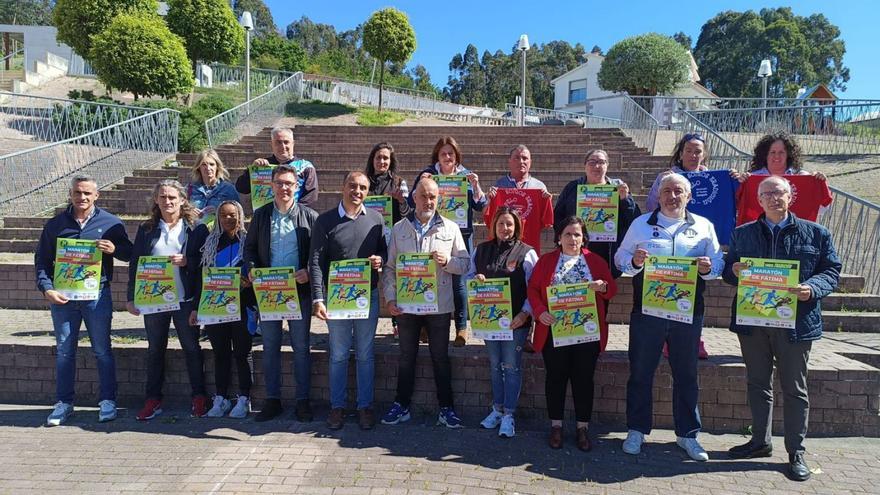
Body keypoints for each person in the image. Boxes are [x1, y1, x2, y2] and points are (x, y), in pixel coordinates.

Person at [722, 176, 841, 481]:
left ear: (791, 197)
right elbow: (729, 271)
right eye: (767, 194)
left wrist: (812, 288)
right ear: (759, 200)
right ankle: (760, 441)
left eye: (780, 193)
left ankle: (795, 450)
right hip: (754, 322)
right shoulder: (742, 233)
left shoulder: (816, 233)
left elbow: (831, 270)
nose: (774, 198)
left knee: (794, 388)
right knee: (758, 383)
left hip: (796, 323)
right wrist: (733, 271)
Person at [614, 174, 724, 461]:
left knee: (686, 374)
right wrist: (634, 262)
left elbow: (719, 264)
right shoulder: (640, 225)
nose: (672, 196)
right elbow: (619, 258)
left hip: (688, 314)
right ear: (658, 195)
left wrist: (707, 268)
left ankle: (688, 435)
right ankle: (636, 430)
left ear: (688, 196)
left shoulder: (703, 226)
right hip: (647, 313)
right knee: (640, 371)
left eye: (678, 191)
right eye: (666, 191)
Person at [35, 175, 133, 426]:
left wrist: (114, 250)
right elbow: (42, 261)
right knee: (65, 351)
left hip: (97, 297)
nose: (83, 198)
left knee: (102, 350)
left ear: (96, 195)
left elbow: (130, 254)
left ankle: (108, 401)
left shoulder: (111, 223)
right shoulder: (55, 224)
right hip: (64, 299)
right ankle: (64, 403)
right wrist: (47, 289)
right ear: (71, 194)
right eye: (78, 193)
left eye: (88, 193)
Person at [381, 179, 470, 428]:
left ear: (438, 198)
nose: (428, 201)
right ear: (414, 198)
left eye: (432, 196)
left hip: (439, 306)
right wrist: (390, 298)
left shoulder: (450, 228)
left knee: (440, 357)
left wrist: (448, 262)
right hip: (407, 306)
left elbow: (465, 264)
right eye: (423, 196)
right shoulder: (399, 229)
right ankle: (401, 405)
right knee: (406, 356)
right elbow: (389, 268)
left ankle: (446, 408)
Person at [527, 216, 617, 451]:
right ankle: (556, 426)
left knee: (583, 380)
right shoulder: (547, 261)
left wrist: (602, 287)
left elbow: (611, 289)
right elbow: (534, 289)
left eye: (577, 234)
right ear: (558, 238)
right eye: (567, 234)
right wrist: (539, 311)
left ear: (583, 238)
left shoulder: (595, 261)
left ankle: (582, 428)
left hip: (587, 333)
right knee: (555, 378)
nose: (572, 239)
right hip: (554, 332)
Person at [309, 171, 387, 430]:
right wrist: (318, 298)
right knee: (339, 355)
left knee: (365, 354)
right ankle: (337, 407)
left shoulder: (376, 219)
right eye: (352, 186)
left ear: (368, 191)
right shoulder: (326, 220)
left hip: (368, 297)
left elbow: (384, 251)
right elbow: (316, 262)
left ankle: (365, 407)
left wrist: (380, 260)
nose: (358, 191)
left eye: (363, 187)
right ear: (342, 187)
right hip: (337, 298)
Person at [126, 179, 207, 420]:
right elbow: (136, 264)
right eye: (163, 197)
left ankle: (199, 397)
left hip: (185, 299)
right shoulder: (147, 229)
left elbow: (205, 266)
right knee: (155, 349)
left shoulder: (197, 229)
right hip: (154, 299)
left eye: (172, 197)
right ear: (156, 200)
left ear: (183, 199)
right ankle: (153, 399)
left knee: (192, 348)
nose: (168, 201)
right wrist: (131, 297)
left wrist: (187, 262)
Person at [243, 164, 318, 422]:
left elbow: (319, 255)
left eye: (289, 183)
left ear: (297, 187)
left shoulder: (310, 217)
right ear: (271, 186)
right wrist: (251, 268)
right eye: (280, 183)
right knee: (271, 346)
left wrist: (308, 271)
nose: (284, 187)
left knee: (300, 347)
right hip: (269, 292)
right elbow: (250, 250)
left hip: (299, 292)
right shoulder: (261, 215)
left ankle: (302, 401)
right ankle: (272, 399)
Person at [466, 206, 538, 438]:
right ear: (493, 226)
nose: (505, 229)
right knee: (495, 366)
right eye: (500, 224)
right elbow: (468, 278)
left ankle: (509, 414)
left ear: (517, 226)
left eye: (509, 224)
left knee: (512, 367)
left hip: (515, 323)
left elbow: (535, 290)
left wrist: (524, 314)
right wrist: (475, 280)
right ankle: (496, 409)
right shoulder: (481, 250)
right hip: (490, 323)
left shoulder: (527, 253)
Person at [410, 136, 486, 346]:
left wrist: (476, 186)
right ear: (437, 155)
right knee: (429, 278)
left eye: (451, 153)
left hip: (462, 235)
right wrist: (420, 182)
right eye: (443, 153)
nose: (447, 157)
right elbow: (410, 201)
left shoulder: (465, 175)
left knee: (459, 284)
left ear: (456, 156)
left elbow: (481, 205)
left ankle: (461, 328)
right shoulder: (429, 174)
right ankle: (424, 326)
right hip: (433, 233)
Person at [187, 200, 255, 419]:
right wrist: (196, 308)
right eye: (224, 215)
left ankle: (244, 398)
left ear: (240, 215)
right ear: (218, 218)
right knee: (220, 354)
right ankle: (221, 398)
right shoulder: (210, 243)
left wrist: (249, 281)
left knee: (242, 353)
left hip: (243, 306)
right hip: (215, 306)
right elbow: (201, 279)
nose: (228, 219)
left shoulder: (248, 241)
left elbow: (257, 272)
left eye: (233, 215)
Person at [554, 149, 641, 279]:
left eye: (601, 162)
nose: (596, 166)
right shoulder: (573, 187)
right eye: (592, 162)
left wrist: (625, 199)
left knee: (602, 291)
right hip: (578, 248)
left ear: (607, 166)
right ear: (585, 166)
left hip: (607, 250)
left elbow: (633, 220)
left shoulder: (618, 187)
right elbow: (558, 216)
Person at [364, 142, 410, 337]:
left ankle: (397, 323)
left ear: (391, 162)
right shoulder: (364, 181)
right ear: (372, 160)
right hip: (368, 236)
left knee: (395, 278)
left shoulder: (400, 182)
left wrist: (401, 201)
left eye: (385, 158)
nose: (382, 161)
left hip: (393, 236)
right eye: (378, 157)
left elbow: (408, 214)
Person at [235, 127, 319, 208]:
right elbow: (241, 188)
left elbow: (311, 197)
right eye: (278, 142)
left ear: (293, 143)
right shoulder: (262, 165)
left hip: (294, 218)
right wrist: (252, 172)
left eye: (286, 142)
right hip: (266, 218)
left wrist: (293, 212)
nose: (282, 146)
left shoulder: (305, 167)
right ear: (272, 144)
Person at [646, 133, 709, 211]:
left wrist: (728, 181)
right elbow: (651, 207)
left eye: (697, 152)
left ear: (704, 155)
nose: (693, 155)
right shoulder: (666, 178)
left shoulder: (712, 180)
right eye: (688, 151)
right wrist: (661, 184)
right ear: (681, 154)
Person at [187, 149, 240, 224]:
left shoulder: (228, 189)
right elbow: (179, 211)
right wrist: (188, 211)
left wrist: (220, 211)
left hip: (220, 233)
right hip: (195, 233)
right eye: (204, 164)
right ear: (198, 167)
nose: (208, 168)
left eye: (211, 164)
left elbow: (238, 214)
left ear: (217, 167)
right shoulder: (190, 188)